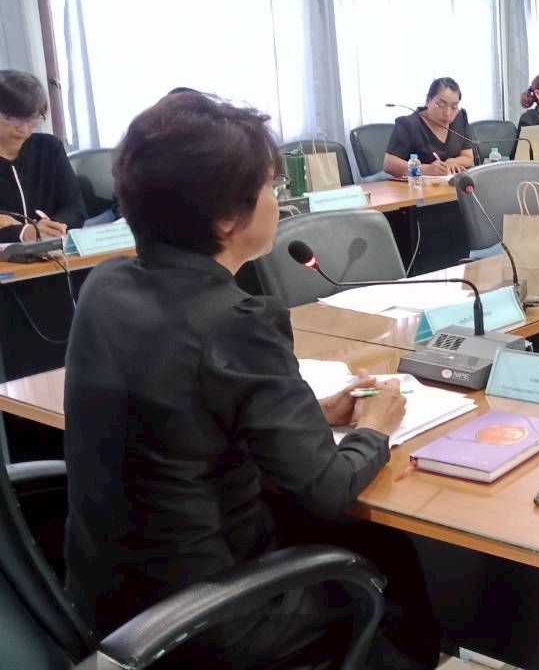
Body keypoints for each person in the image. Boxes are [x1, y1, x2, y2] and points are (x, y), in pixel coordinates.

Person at [63, 92, 438, 669]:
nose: (278, 199)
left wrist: (312, 413)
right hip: (212, 616)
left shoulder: (105, 285)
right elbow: (326, 490)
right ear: (225, 218)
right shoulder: (236, 322)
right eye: (269, 185)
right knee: (390, 560)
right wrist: (374, 426)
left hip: (105, 599)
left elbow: (182, 414)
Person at [0, 69, 85, 242]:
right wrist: (23, 233)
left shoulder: (49, 148)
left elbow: (75, 210)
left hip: (54, 250)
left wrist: (50, 228)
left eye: (32, 119)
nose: (23, 129)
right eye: (12, 118)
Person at [384, 76, 474, 177]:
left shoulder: (459, 118)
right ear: (428, 100)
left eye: (454, 107)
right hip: (416, 185)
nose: (448, 113)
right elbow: (389, 164)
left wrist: (452, 162)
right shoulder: (408, 124)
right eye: (441, 105)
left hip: (451, 183)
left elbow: (468, 157)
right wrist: (426, 169)